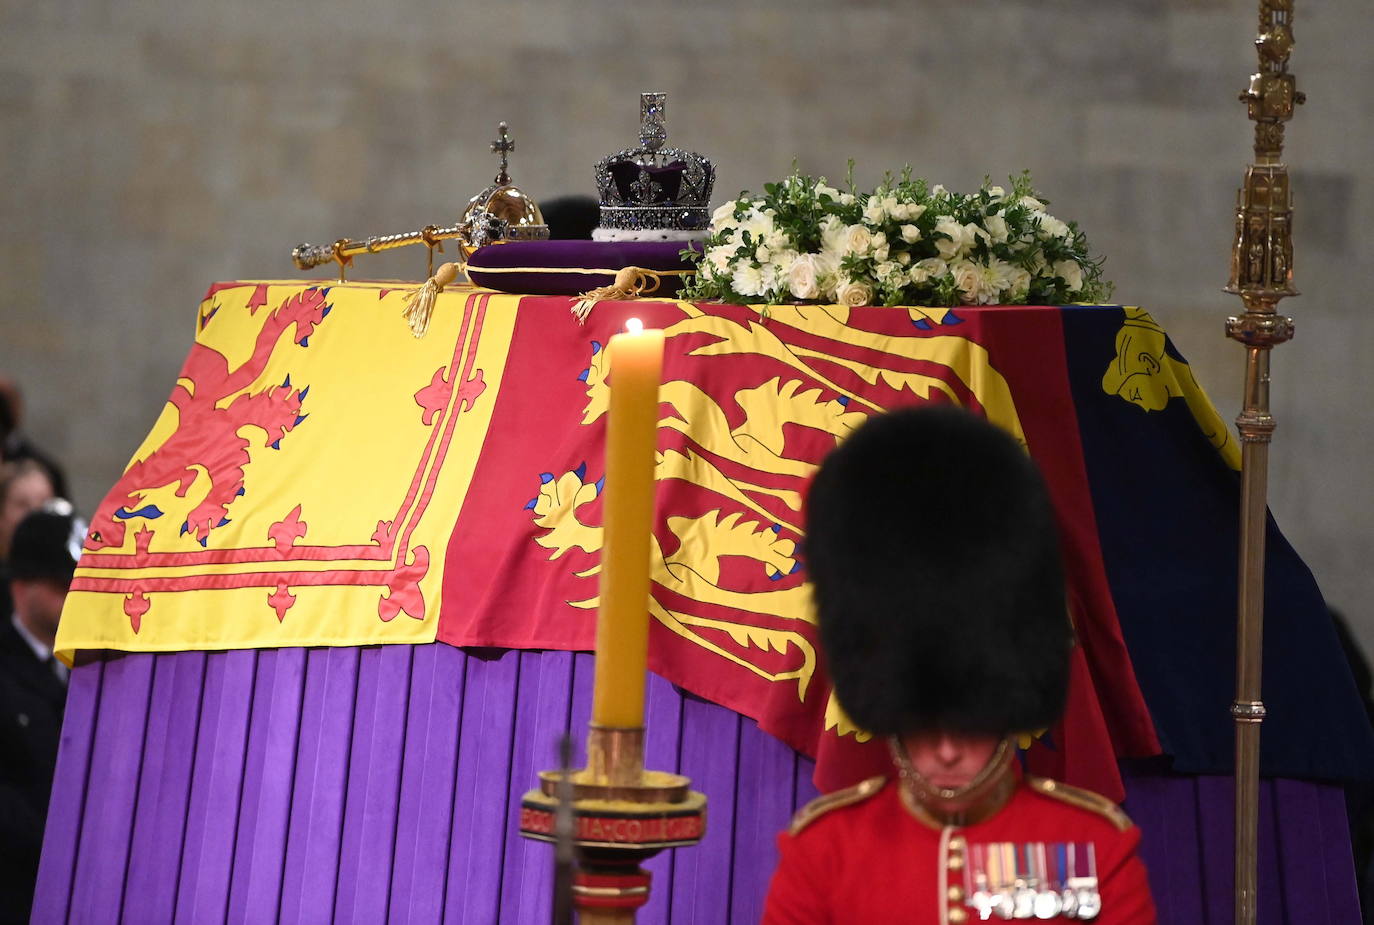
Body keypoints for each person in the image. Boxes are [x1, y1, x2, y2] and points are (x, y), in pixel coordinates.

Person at [762, 407, 1156, 923]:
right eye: (925, 726)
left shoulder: (1092, 847)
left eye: (969, 726)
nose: (947, 753)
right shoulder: (825, 851)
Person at [0, 500, 82, 924]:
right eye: (60, 584)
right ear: (22, 583)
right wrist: (56, 839)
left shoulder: (92, 666)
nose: (73, 597)